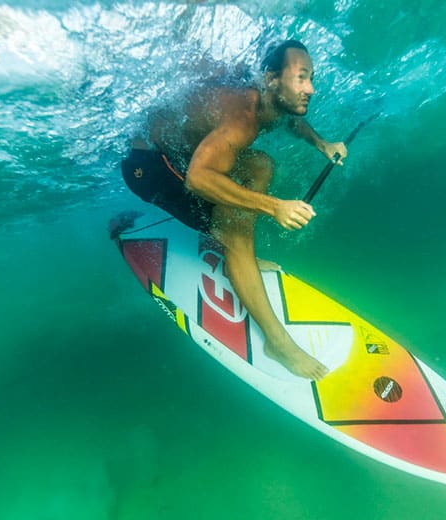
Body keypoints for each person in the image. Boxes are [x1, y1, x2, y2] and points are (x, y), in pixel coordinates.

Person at [122, 40, 347, 380]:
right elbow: (198, 178)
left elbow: (291, 119)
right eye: (301, 78)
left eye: (311, 78)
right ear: (272, 79)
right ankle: (277, 342)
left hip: (183, 153)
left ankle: (236, 251)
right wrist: (275, 207)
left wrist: (322, 144)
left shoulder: (268, 97)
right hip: (149, 167)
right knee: (236, 233)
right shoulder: (243, 119)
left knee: (260, 165)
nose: (310, 89)